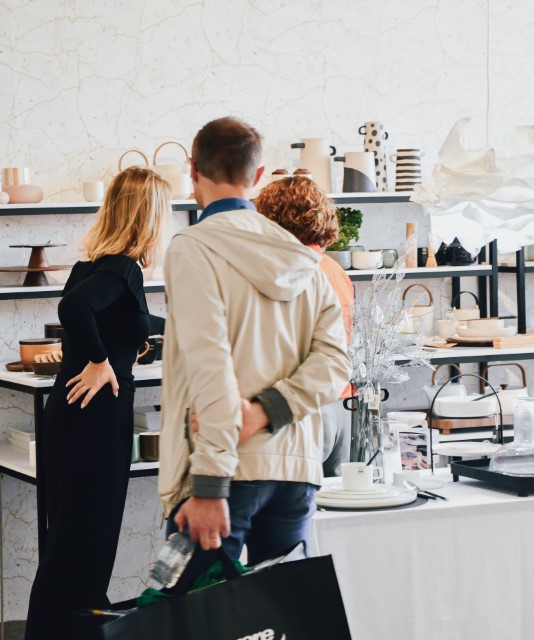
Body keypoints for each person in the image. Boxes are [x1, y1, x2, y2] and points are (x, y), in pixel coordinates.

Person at [159, 117, 352, 563]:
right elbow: (335, 365)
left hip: (221, 476)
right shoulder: (305, 260)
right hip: (295, 470)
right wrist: (269, 410)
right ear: (258, 175)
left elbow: (209, 365)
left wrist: (210, 484)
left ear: (193, 169)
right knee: (283, 605)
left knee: (191, 605)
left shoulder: (193, 248)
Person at [25, 167, 170, 640]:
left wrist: (178, 323)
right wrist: (100, 360)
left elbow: (124, 317)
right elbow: (74, 310)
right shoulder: (124, 268)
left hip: (72, 414)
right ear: (148, 216)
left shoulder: (91, 267)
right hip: (97, 417)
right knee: (86, 544)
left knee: (71, 543)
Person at [254, 176, 356, 477]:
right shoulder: (334, 268)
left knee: (294, 500)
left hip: (306, 407)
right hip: (342, 404)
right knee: (334, 501)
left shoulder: (291, 272)